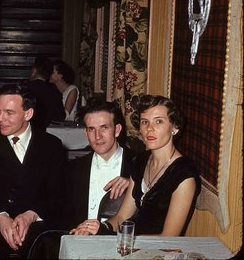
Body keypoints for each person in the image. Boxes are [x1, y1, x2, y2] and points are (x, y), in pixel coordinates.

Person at [70, 94, 201, 237]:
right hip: (129, 242)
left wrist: (120, 239)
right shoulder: (140, 162)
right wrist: (100, 227)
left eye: (158, 122)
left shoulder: (184, 174)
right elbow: (122, 217)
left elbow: (169, 239)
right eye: (145, 122)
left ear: (174, 127)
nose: (149, 129)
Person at [27, 97, 136, 259]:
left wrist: (133, 182)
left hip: (121, 247)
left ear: (117, 130)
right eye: (91, 129)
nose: (97, 136)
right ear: (85, 133)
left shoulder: (138, 165)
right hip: (79, 245)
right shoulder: (72, 169)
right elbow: (58, 210)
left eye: (104, 127)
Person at [0, 84, 67, 259]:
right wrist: (0, 217)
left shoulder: (52, 146)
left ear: (28, 114)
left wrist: (30, 215)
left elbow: (57, 194)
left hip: (38, 229)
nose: (0, 118)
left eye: (9, 112)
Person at [26, 55, 65, 130]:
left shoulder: (24, 89)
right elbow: (60, 117)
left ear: (34, 71)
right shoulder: (54, 92)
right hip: (45, 133)